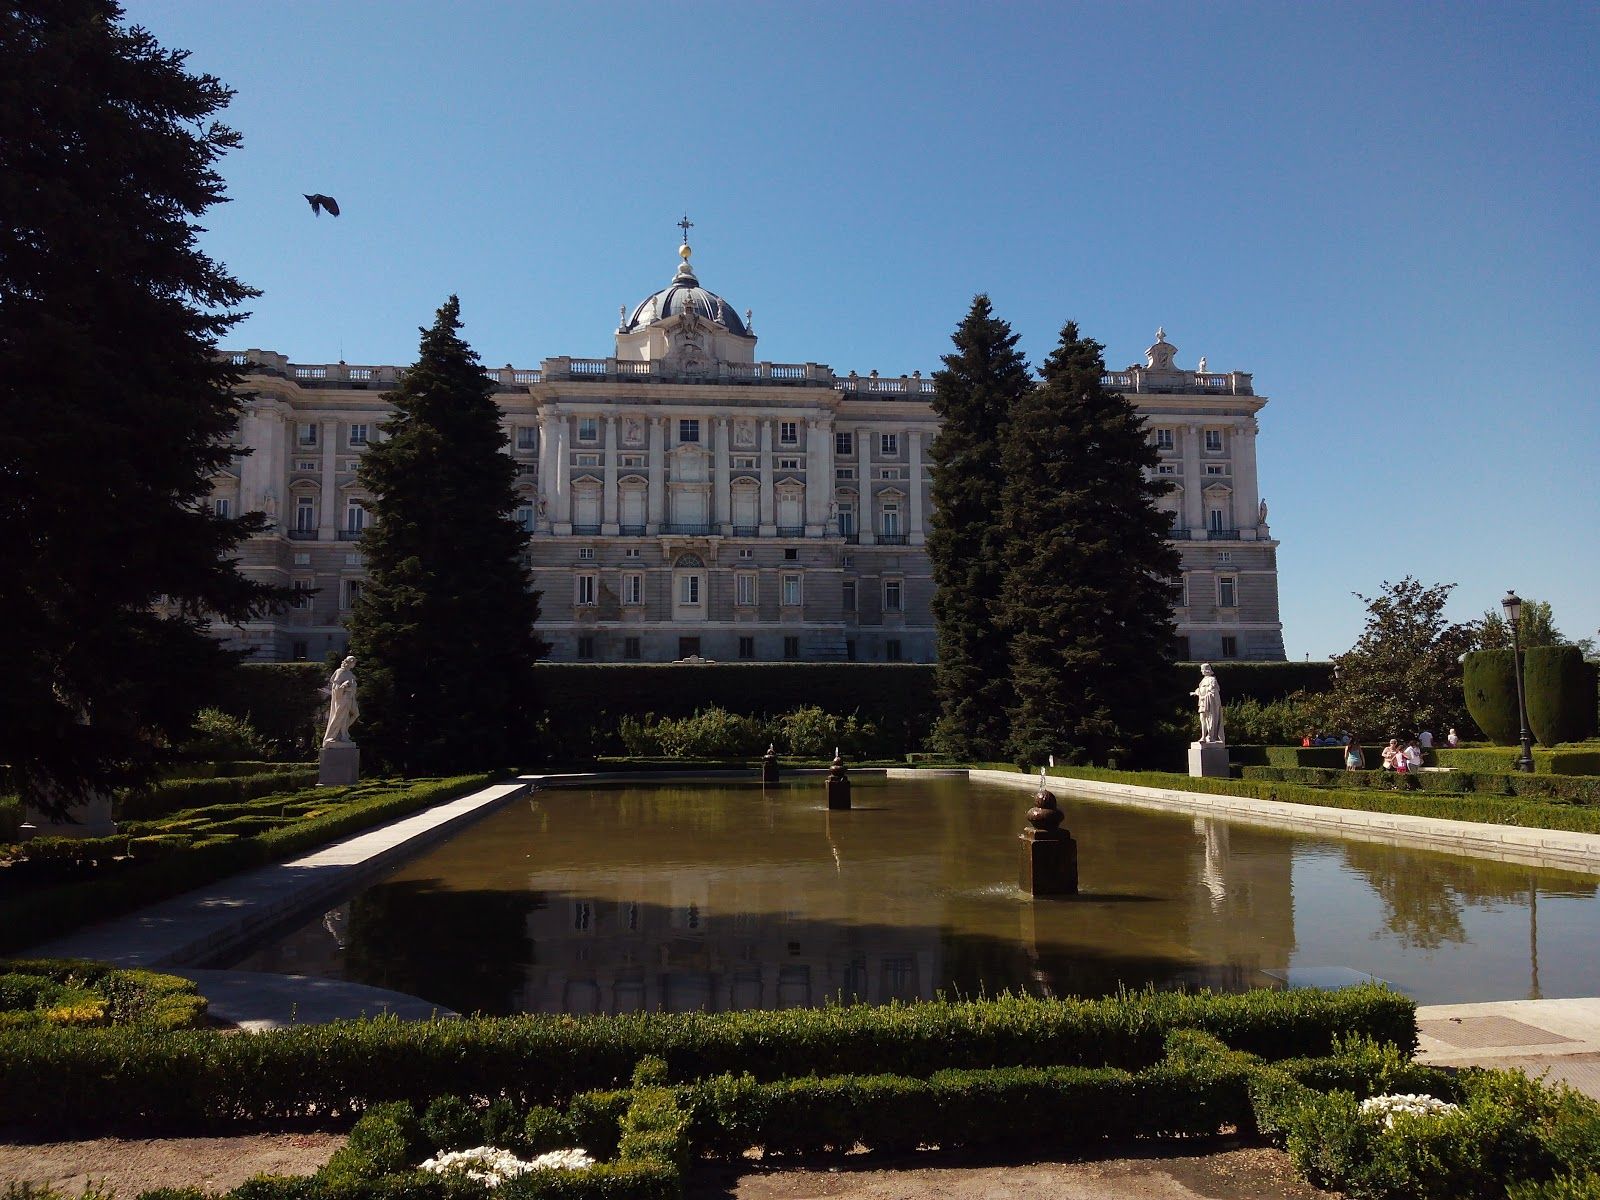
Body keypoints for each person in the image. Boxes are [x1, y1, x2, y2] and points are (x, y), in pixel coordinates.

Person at [322, 655, 359, 746]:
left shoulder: (350, 673)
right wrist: (344, 687)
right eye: (353, 662)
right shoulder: (340, 671)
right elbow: (335, 687)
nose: (354, 664)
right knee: (339, 717)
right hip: (342, 699)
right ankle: (338, 735)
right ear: (349, 662)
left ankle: (344, 731)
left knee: (356, 714)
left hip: (350, 698)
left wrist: (352, 688)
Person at [1191, 663, 1224, 743]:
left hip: (1209, 702)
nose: (1201, 671)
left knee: (1210, 718)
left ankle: (1210, 736)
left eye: (1202, 669)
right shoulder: (1203, 680)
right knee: (1202, 718)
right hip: (1202, 702)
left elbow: (1213, 691)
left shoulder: (1212, 679)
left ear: (1206, 670)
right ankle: (1203, 736)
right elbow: (1200, 689)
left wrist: (1203, 695)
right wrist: (1196, 692)